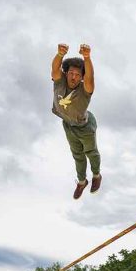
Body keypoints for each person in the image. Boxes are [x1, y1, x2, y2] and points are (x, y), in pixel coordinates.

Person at [51, 43, 102, 199]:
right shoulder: (59, 82)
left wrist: (87, 57)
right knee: (77, 155)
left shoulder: (85, 89)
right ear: (66, 73)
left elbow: (90, 77)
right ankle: (81, 182)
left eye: (77, 75)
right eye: (71, 73)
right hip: (68, 124)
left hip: (85, 126)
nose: (73, 77)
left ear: (81, 78)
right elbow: (54, 69)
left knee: (90, 152)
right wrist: (59, 55)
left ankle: (96, 176)